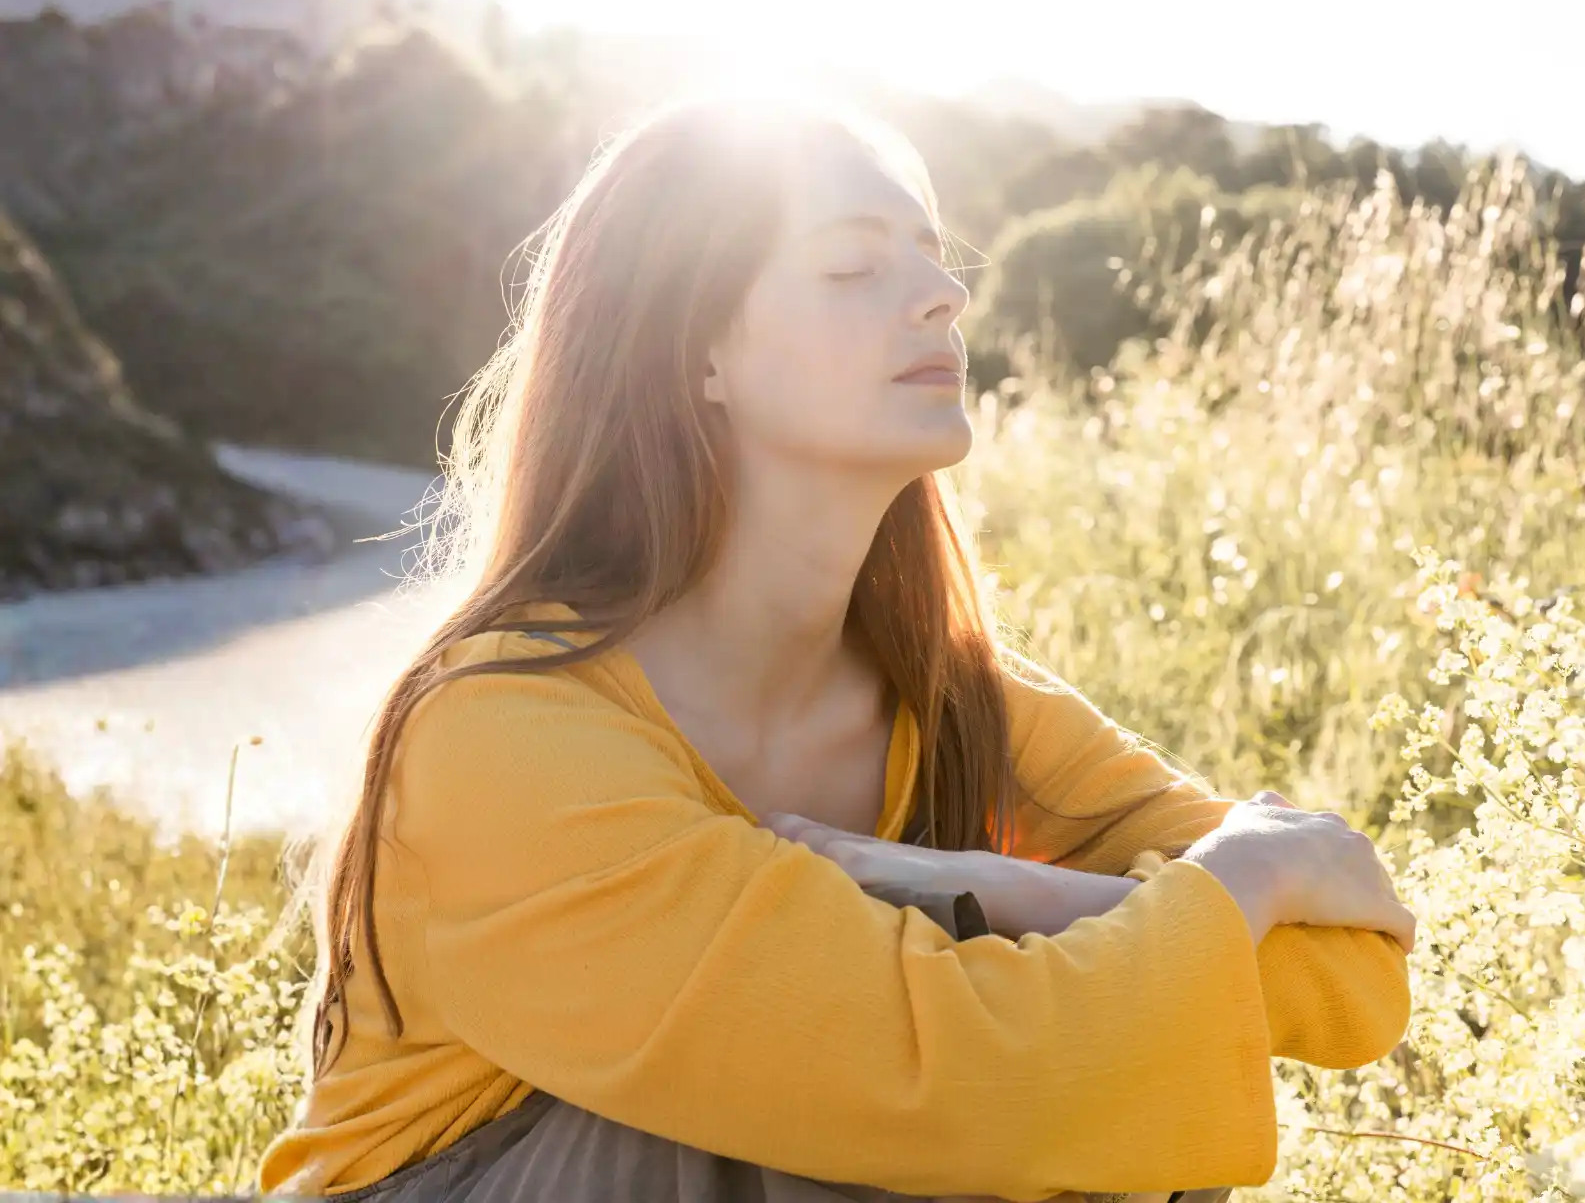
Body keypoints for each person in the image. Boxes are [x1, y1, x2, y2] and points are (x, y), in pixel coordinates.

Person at [255, 93, 1416, 1203]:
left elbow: (1356, 977)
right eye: (856, 268)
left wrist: (977, 883)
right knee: (895, 1112)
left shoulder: (953, 704)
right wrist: (1241, 879)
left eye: (931, 256)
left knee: (1140, 1060)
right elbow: (960, 1082)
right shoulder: (502, 731)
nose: (943, 295)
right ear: (691, 352)